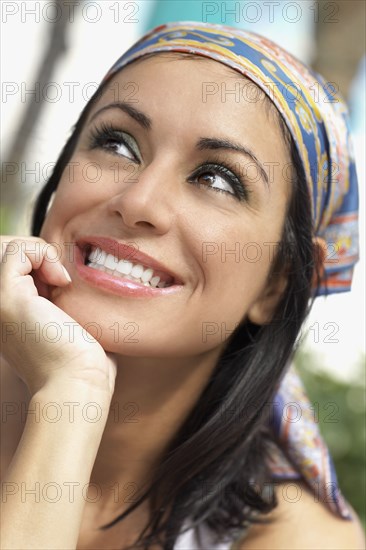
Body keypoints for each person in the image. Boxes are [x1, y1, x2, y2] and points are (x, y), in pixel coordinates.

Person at [0, 21, 364, 550]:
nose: (139, 201)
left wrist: (69, 398)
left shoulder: (293, 538)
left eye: (216, 178)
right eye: (118, 144)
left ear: (281, 282)